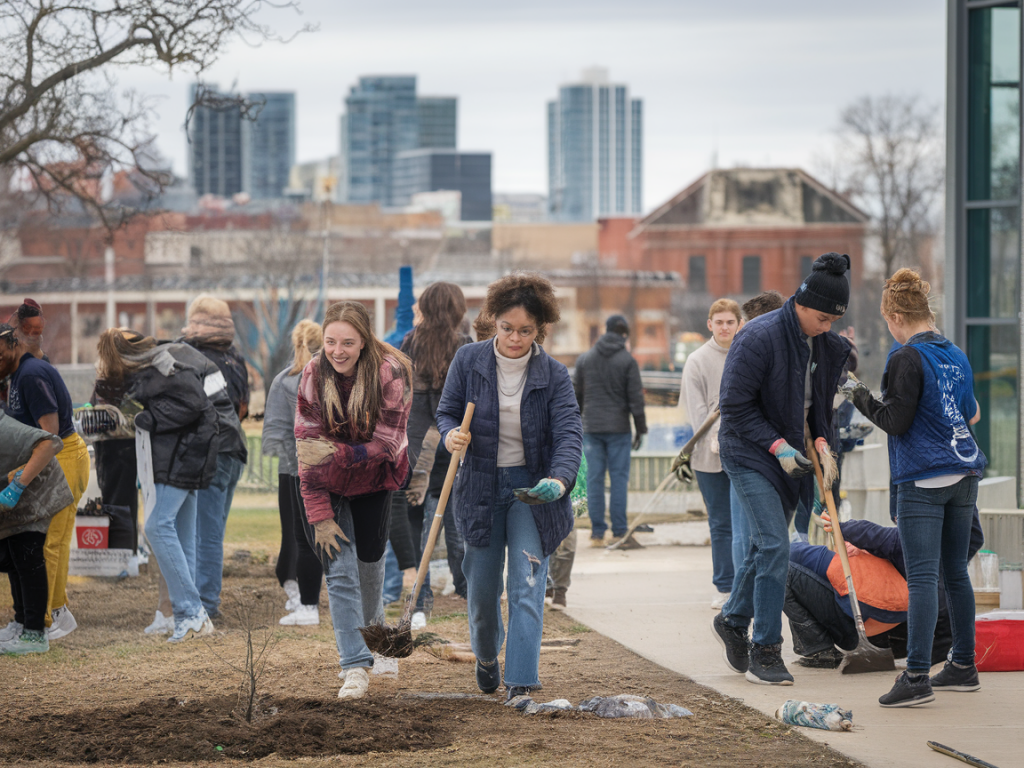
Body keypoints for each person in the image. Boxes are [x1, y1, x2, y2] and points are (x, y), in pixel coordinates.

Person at [842, 268, 986, 708]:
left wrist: (855, 392)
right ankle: (963, 664)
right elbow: (972, 414)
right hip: (963, 474)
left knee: (922, 578)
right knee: (955, 573)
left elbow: (894, 421)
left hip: (923, 477)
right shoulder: (955, 353)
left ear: (896, 317)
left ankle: (918, 676)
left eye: (888, 322)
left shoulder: (905, 358)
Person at [436, 272, 583, 701]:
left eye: (525, 331)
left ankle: (520, 681)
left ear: (540, 330)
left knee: (527, 584)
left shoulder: (554, 375)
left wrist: (559, 480)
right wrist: (450, 436)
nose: (515, 338)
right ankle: (486, 657)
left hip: (532, 492)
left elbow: (569, 433)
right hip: (480, 487)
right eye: (506, 328)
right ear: (492, 321)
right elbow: (446, 412)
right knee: (482, 592)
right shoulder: (469, 361)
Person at [713, 252, 852, 685]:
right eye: (823, 319)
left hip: (793, 455)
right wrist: (776, 445)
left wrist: (824, 439)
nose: (827, 328)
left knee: (764, 548)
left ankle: (733, 619)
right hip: (749, 450)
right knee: (775, 544)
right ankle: (766, 650)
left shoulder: (830, 347)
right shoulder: (758, 337)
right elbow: (733, 408)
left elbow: (819, 408)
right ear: (803, 305)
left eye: (833, 321)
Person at [294, 301, 413, 700]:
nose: (337, 351)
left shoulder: (389, 371)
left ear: (363, 341)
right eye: (330, 341)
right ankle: (355, 668)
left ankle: (378, 640)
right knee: (340, 575)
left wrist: (337, 453)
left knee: (368, 571)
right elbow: (307, 447)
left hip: (376, 480)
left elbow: (387, 441)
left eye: (347, 342)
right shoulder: (313, 372)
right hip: (327, 485)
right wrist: (320, 516)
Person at [97, 328, 220, 641]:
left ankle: (191, 613)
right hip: (186, 456)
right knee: (181, 532)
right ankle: (190, 616)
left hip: (179, 459)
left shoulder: (160, 371)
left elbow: (194, 404)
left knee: (156, 527)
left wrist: (146, 419)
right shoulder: (160, 366)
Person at [787, 510, 984, 668]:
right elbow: (974, 536)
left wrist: (844, 528)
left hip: (858, 634)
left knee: (782, 569)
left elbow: (879, 536)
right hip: (908, 642)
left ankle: (818, 649)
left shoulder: (906, 544)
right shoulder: (948, 555)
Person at [0, 323, 90, 640]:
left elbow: (50, 435)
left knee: (47, 545)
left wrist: (20, 482)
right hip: (46, 459)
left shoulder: (31, 375)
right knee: (32, 544)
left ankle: (45, 621)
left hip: (60, 457)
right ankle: (36, 617)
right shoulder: (14, 376)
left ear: (13, 344)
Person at [398, 282, 472, 627]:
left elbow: (405, 395)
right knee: (456, 521)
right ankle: (470, 591)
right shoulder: (464, 345)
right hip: (453, 441)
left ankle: (420, 603)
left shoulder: (410, 342)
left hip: (417, 445)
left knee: (418, 524)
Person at [180, 296, 249, 619]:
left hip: (211, 452)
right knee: (214, 533)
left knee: (203, 535)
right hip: (234, 449)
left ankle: (206, 605)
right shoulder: (235, 359)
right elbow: (242, 409)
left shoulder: (192, 359)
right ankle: (207, 599)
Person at [680, 299, 742, 608]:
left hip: (744, 455)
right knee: (720, 523)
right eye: (719, 322)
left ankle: (746, 583)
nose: (725, 327)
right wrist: (717, 437)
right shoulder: (697, 360)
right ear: (710, 324)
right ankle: (724, 586)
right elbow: (697, 412)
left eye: (730, 321)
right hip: (708, 456)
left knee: (746, 522)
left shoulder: (747, 353)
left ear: (739, 324)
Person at [263, 319, 324, 625]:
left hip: (293, 469)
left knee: (299, 535)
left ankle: (304, 599)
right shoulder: (328, 376)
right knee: (315, 535)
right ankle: (307, 598)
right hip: (324, 466)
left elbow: (275, 429)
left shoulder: (284, 379)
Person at [573, 314, 646, 547]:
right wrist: (640, 429)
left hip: (591, 428)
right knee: (618, 481)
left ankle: (596, 533)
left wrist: (577, 426)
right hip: (619, 429)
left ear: (605, 330)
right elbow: (636, 399)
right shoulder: (627, 360)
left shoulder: (585, 359)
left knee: (594, 480)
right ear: (624, 333)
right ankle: (619, 531)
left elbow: (576, 397)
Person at [0, 411, 67, 655]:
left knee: (27, 557)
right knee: (12, 556)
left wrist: (16, 487)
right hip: (18, 498)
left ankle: (35, 635)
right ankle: (21, 624)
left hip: (38, 491)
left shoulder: (4, 429)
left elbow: (51, 442)